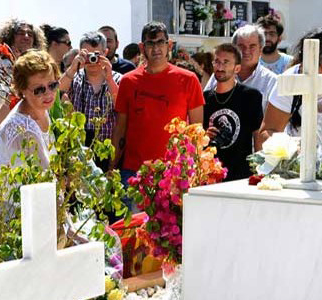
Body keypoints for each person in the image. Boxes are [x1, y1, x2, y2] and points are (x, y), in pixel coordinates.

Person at [111, 21, 205, 184]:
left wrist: (194, 171)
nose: (156, 49)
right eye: (150, 44)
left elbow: (196, 132)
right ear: (142, 48)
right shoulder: (128, 81)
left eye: (160, 42)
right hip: (135, 173)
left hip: (173, 173)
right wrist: (111, 168)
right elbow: (120, 129)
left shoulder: (188, 79)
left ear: (169, 45)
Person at [0, 50, 58, 192]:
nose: (48, 93)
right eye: (39, 90)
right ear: (22, 91)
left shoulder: (40, 107)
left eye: (52, 85)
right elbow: (45, 179)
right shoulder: (23, 128)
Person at [59, 31, 121, 170]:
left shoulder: (117, 79)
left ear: (105, 52)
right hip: (79, 155)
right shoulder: (74, 78)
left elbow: (121, 108)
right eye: (88, 55)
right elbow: (56, 93)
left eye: (96, 55)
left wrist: (109, 79)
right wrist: (72, 69)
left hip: (109, 154)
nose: (92, 60)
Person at [203, 44, 263, 181]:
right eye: (217, 61)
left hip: (240, 173)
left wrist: (259, 169)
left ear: (237, 68)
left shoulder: (251, 96)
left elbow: (257, 134)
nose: (220, 67)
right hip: (211, 174)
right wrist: (206, 136)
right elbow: (199, 137)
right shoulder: (204, 98)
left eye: (226, 62)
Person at [0, 19, 45, 126]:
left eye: (30, 34)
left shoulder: (41, 70)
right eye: (21, 33)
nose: (26, 36)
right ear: (10, 38)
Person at [205, 25, 276, 111]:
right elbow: (205, 105)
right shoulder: (221, 74)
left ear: (261, 50)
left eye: (252, 46)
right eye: (241, 46)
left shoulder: (271, 81)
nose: (246, 51)